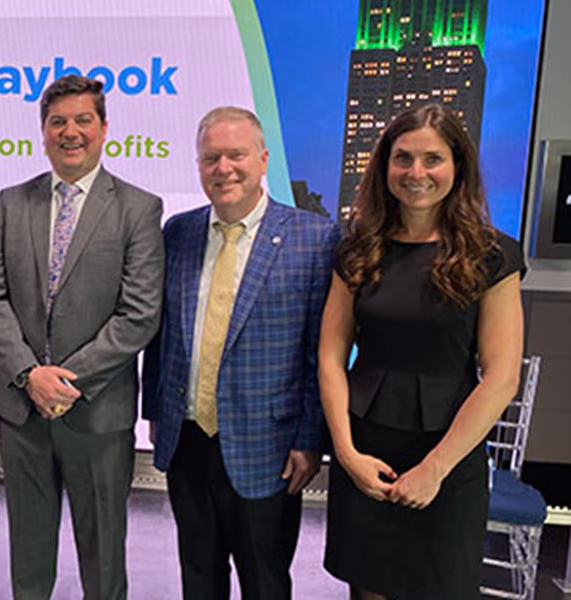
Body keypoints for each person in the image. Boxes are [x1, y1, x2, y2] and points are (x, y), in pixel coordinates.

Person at [319, 103, 525, 599]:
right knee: (368, 589)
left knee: (440, 587)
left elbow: (501, 377)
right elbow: (329, 355)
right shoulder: (357, 248)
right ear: (384, 166)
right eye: (402, 158)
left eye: (432, 159)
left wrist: (434, 469)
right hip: (366, 449)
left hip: (449, 456)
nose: (416, 173)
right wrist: (346, 455)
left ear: (457, 167)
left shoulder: (492, 255)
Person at [0, 74, 164, 600]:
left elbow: (139, 314)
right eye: (58, 122)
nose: (70, 132)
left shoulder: (139, 208)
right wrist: (29, 376)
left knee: (103, 560)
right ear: (43, 131)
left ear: (104, 128)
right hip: (21, 413)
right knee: (28, 559)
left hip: (97, 414)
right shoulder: (12, 203)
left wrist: (63, 381)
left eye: (82, 120)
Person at [141, 106, 338, 600]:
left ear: (263, 158)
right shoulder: (178, 233)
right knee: (199, 578)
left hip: (268, 448)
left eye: (236, 155)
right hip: (187, 441)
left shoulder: (313, 238)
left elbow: (322, 351)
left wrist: (310, 437)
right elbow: (163, 336)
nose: (223, 168)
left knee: (265, 581)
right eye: (211, 158)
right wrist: (155, 415)